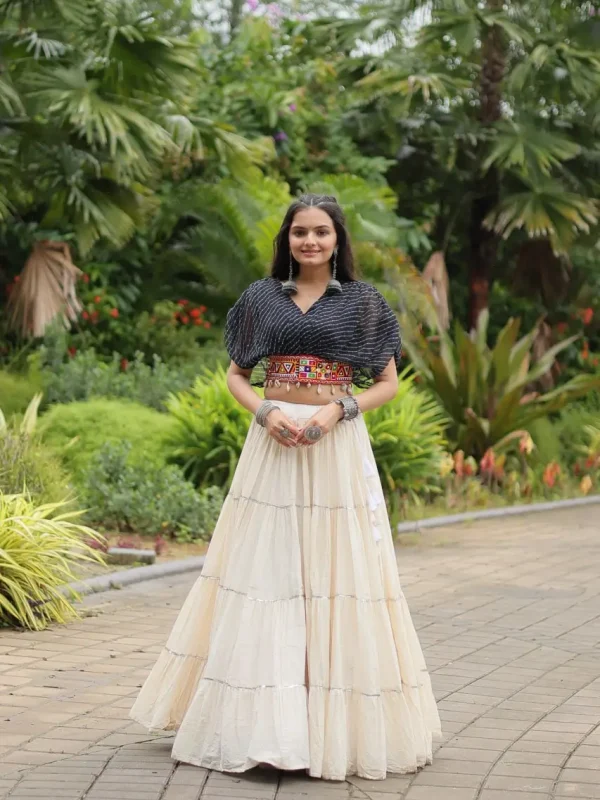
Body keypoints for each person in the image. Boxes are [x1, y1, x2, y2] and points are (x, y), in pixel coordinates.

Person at [130, 194, 441, 781]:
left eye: (322, 232)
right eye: (300, 232)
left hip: (335, 449)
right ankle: (263, 730)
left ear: (338, 240)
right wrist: (265, 414)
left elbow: (388, 384)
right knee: (266, 573)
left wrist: (337, 413)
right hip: (272, 447)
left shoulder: (366, 304)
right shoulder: (260, 298)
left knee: (335, 575)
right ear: (287, 239)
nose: (311, 242)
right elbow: (236, 375)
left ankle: (333, 725)